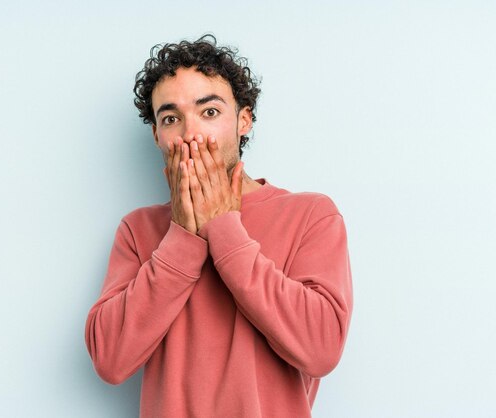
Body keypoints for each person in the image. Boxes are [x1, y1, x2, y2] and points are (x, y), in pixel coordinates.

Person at [85, 34, 354, 417]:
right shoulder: (137, 229)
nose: (191, 134)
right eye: (171, 118)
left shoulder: (311, 215)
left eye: (209, 112)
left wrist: (225, 230)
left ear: (243, 119)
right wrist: (181, 235)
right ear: (157, 135)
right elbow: (110, 361)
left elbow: (322, 349)